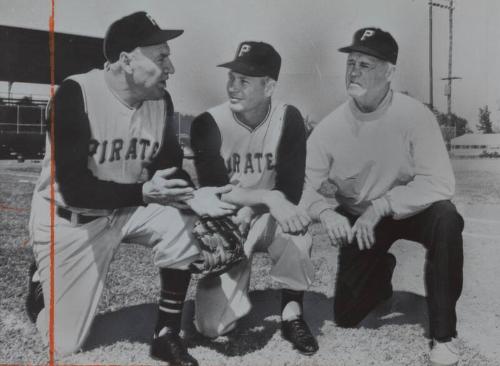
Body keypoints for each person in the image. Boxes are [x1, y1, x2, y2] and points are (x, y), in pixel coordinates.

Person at [26, 11, 235, 366]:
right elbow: (76, 189)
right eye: (162, 57)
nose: (171, 68)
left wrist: (195, 199)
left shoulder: (160, 101)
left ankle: (165, 334)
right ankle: (41, 281)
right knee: (64, 344)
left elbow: (168, 170)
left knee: (183, 225)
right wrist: (143, 195)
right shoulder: (75, 95)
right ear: (126, 61)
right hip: (71, 219)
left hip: (127, 210)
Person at [301, 28, 464, 366]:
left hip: (410, 211)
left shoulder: (415, 115)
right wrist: (324, 211)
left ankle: (444, 336)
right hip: (361, 219)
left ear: (390, 71)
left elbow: (441, 182)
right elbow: (300, 187)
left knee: (446, 218)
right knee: (347, 316)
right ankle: (381, 270)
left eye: (366, 64)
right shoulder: (330, 129)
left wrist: (384, 205)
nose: (354, 71)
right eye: (351, 63)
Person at [190, 41, 319, 355]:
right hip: (229, 219)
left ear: (269, 86)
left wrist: (260, 207)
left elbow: (290, 190)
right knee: (211, 328)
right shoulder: (208, 122)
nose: (233, 87)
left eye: (244, 81)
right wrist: (263, 199)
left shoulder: (287, 119)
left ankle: (292, 312)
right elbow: (217, 191)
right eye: (231, 78)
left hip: (270, 216)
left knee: (296, 223)